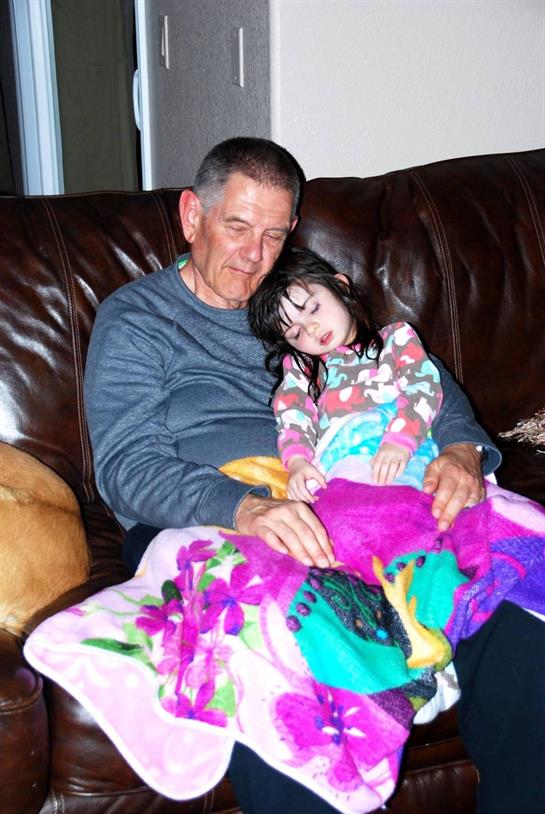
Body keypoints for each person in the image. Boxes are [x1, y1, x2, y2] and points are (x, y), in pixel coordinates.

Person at [84, 137, 544, 814]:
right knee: (277, 664)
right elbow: (128, 467)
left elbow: (403, 370)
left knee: (518, 601)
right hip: (220, 517)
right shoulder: (137, 321)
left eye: (273, 234)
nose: (252, 254)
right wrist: (244, 506)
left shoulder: (301, 297)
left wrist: (461, 452)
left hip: (364, 501)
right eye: (235, 226)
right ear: (191, 216)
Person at [248, 246, 444, 499]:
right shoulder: (303, 369)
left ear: (340, 287)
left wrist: (400, 440)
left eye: (313, 308)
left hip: (404, 448)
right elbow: (293, 417)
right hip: (342, 460)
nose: (312, 328)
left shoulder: (396, 338)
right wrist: (297, 463)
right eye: (296, 333)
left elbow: (423, 387)